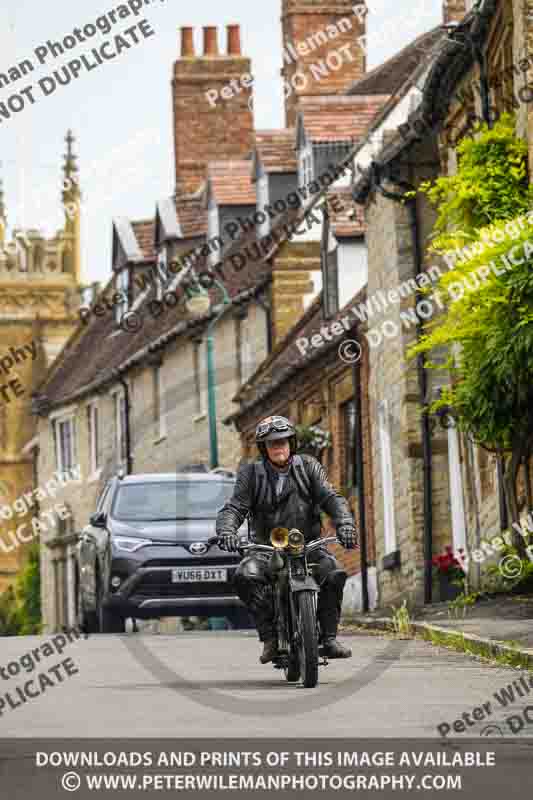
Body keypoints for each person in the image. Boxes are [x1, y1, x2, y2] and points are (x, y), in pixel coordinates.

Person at [216, 415, 358, 664]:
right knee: (244, 576)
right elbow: (235, 507)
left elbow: (331, 497)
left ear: (291, 443)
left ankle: (329, 638)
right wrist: (227, 530)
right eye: (272, 443)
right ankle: (270, 637)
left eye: (282, 441)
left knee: (334, 573)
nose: (278, 446)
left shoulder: (308, 467)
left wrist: (345, 524)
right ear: (264, 448)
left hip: (307, 544)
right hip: (265, 548)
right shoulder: (251, 473)